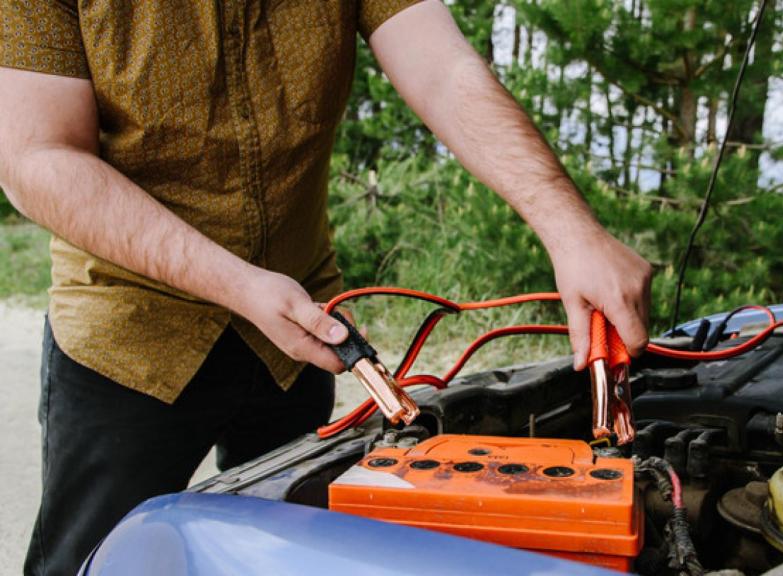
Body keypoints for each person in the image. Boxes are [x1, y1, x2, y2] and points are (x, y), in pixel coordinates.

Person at [0, 1, 653, 574]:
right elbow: (38, 158)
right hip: (132, 339)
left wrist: (571, 232)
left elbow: (444, 71)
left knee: (295, 554)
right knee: (90, 559)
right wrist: (238, 284)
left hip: (299, 330)